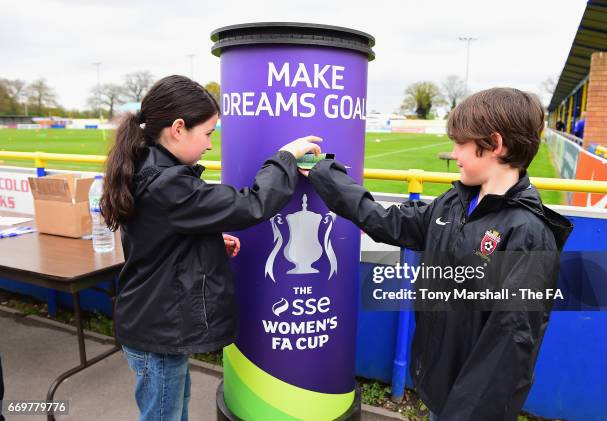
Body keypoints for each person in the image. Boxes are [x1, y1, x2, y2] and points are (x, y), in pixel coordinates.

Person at [302, 88, 573, 421]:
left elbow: (507, 348)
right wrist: (324, 174)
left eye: (461, 143)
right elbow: (388, 221)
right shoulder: (453, 202)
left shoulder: (528, 234)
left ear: (495, 144)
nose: (454, 152)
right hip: (437, 388)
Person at [100, 75, 320, 421]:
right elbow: (252, 204)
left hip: (154, 325)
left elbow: (159, 233)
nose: (209, 146)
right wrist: (286, 158)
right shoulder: (168, 183)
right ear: (177, 128)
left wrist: (208, 238)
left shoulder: (149, 165)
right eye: (207, 134)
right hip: (159, 332)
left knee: (173, 409)